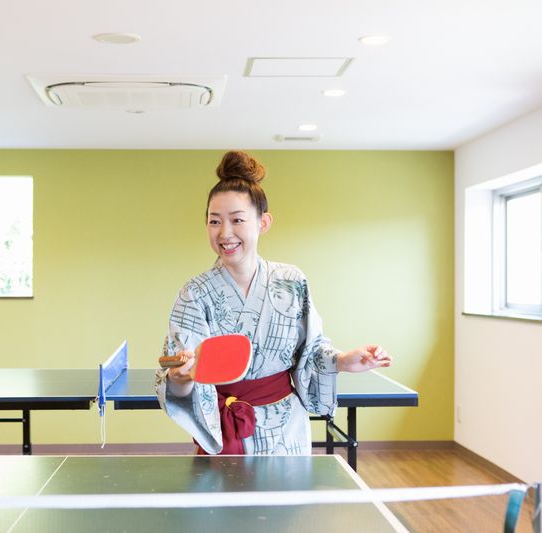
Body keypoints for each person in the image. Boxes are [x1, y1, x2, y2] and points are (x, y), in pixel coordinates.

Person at [154, 150, 392, 455]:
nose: (225, 233)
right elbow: (178, 374)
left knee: (286, 502)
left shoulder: (291, 281)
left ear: (263, 222)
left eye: (237, 220)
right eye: (214, 222)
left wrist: (343, 361)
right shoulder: (194, 293)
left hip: (286, 430)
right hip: (224, 427)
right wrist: (181, 377)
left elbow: (312, 350)